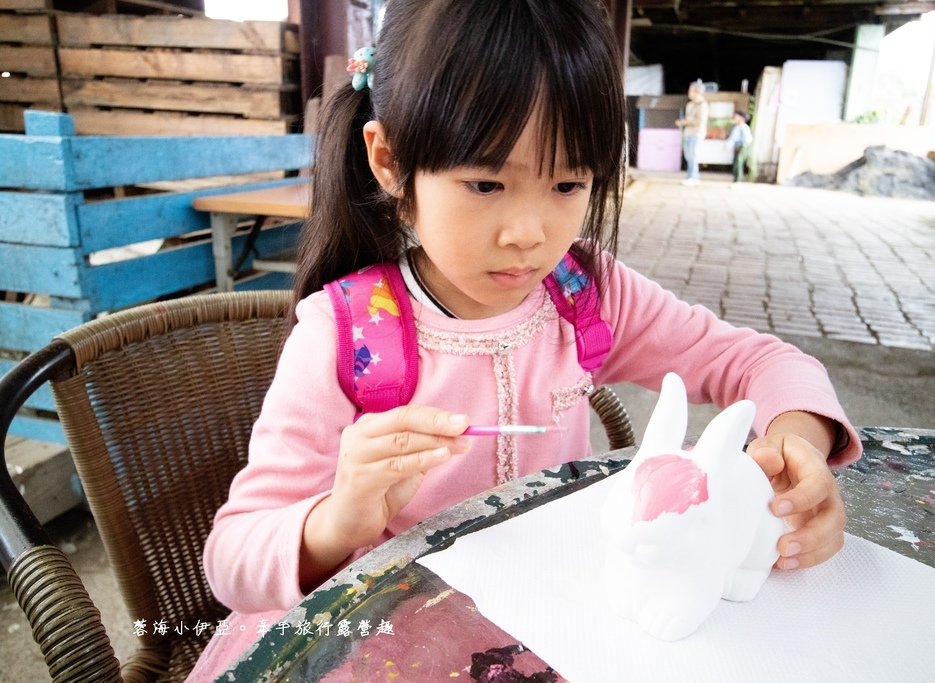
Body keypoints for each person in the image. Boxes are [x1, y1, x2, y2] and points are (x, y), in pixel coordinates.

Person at [189, 0, 861, 677]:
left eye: (568, 182)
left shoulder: (584, 294)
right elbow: (231, 558)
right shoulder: (345, 335)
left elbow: (760, 360)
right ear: (390, 160)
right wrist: (337, 519)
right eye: (486, 182)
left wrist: (796, 452)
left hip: (557, 627)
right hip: (387, 645)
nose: (529, 233)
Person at [675, 80, 709, 185]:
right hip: (688, 133)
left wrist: (685, 122)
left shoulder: (702, 104)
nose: (688, 93)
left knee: (693, 156)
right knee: (688, 156)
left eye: (690, 90)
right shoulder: (690, 104)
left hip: (696, 133)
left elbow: (700, 121)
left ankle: (694, 178)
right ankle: (689, 176)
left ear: (697, 91)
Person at [727, 111, 753, 182]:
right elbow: (733, 138)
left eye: (736, 117)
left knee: (738, 163)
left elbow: (747, 139)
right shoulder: (737, 127)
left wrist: (743, 146)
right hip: (737, 147)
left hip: (742, 147)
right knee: (736, 163)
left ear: (741, 118)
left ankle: (738, 180)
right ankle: (735, 179)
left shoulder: (744, 127)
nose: (734, 118)